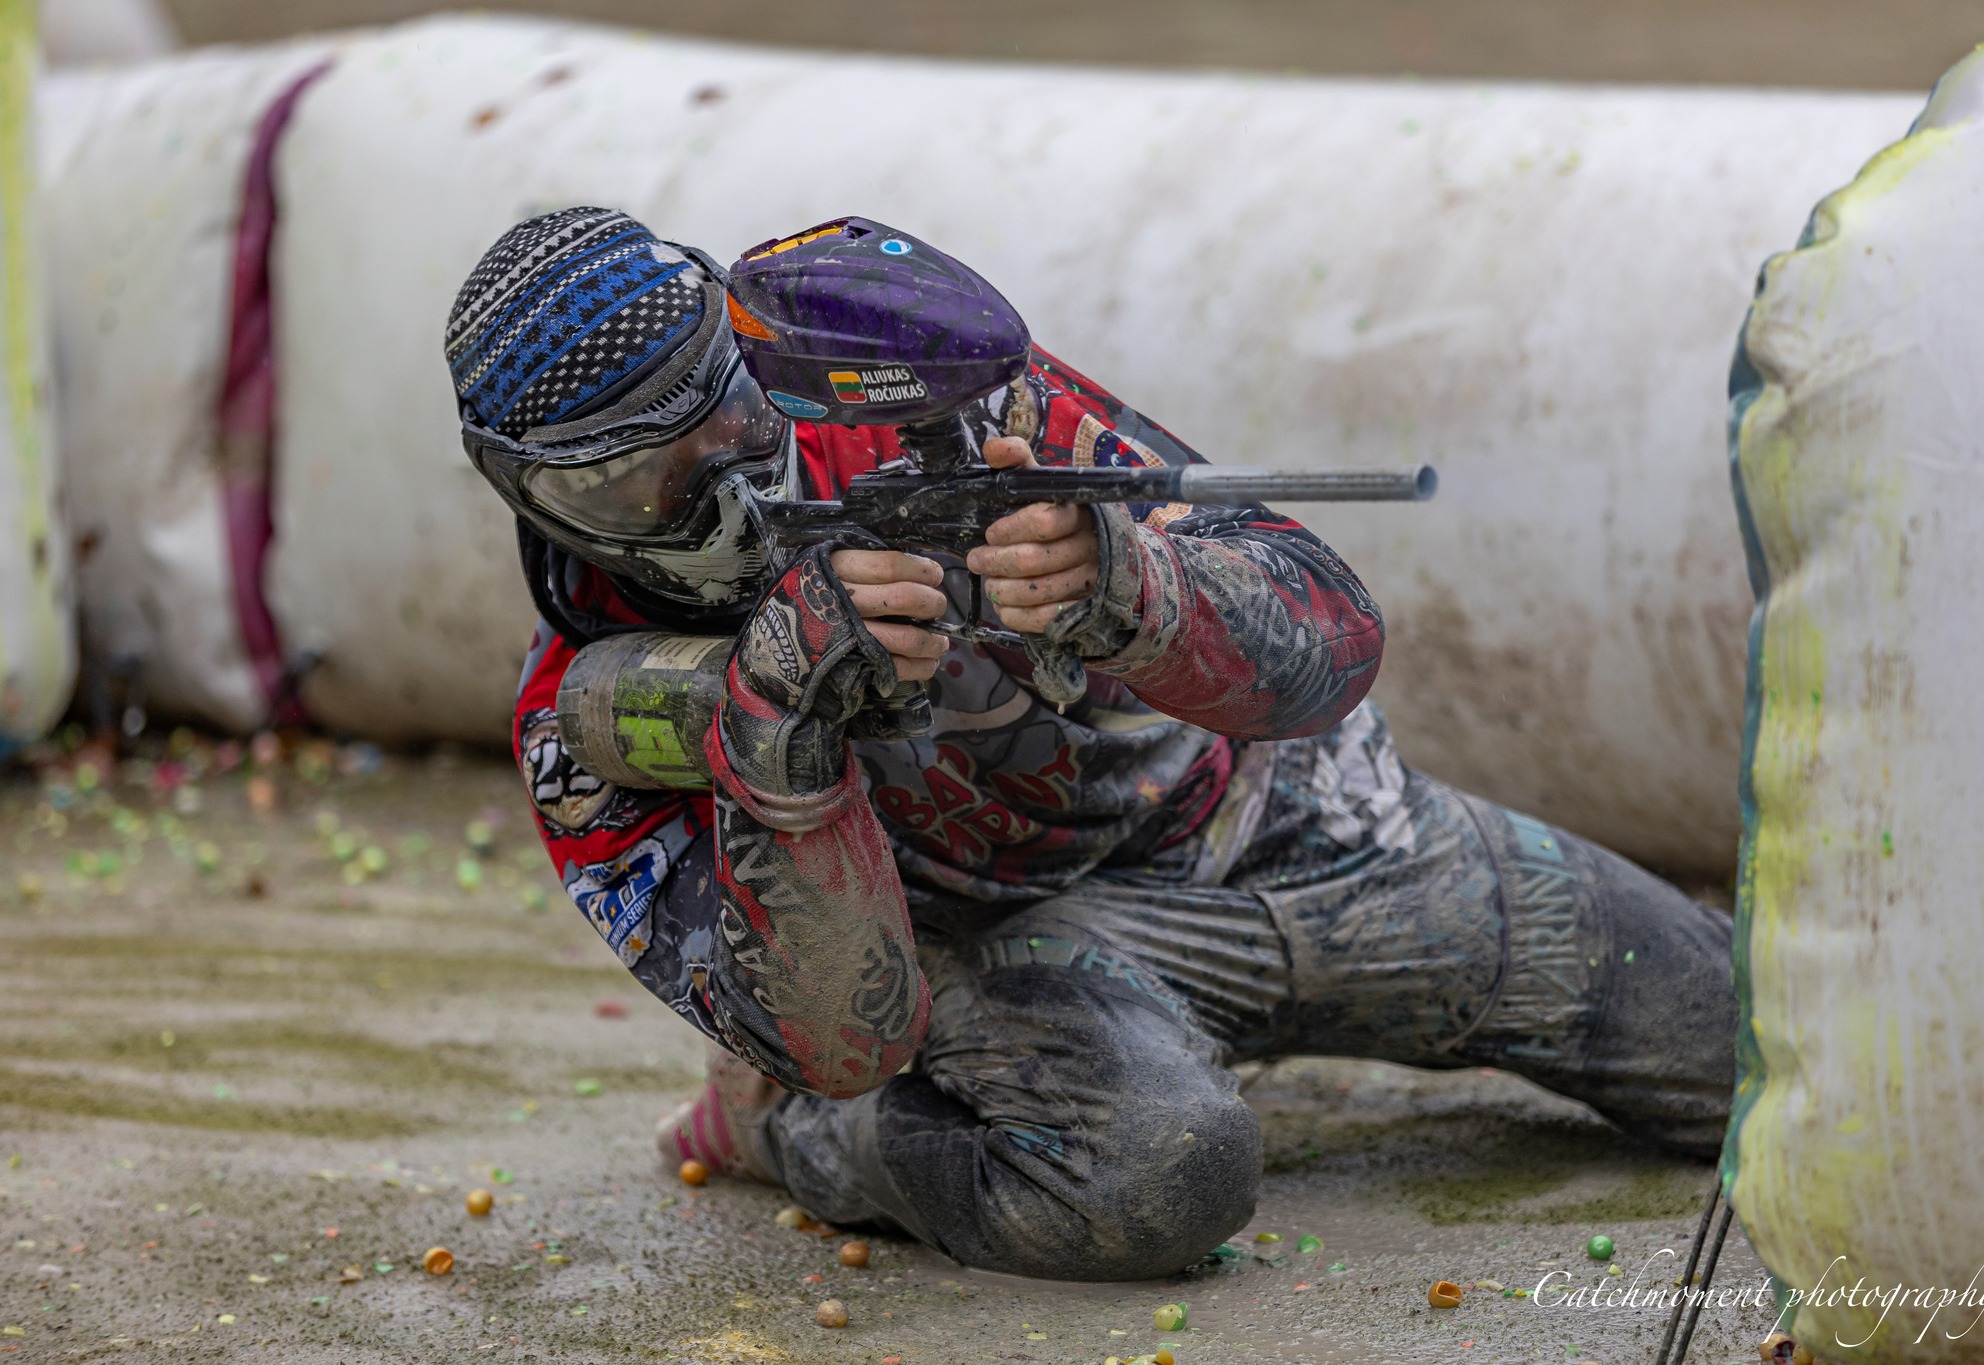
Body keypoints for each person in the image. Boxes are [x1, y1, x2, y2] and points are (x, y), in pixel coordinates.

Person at [447, 207, 1738, 1281]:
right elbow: (841, 1039)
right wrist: (781, 738)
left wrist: (1126, 582)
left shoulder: (909, 398)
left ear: (744, 351)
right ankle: (791, 1136)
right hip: (1009, 958)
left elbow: (1334, 635)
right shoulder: (582, 726)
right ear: (526, 494)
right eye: (636, 482)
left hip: (1300, 824)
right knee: (1162, 1177)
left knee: (1739, 1043)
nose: (720, 485)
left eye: (724, 416)